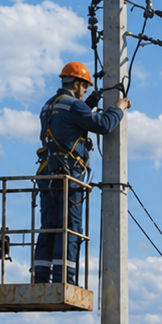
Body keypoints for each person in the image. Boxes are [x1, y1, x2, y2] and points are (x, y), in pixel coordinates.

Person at [34, 62, 128, 285]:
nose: (85, 90)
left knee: (50, 225)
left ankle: (40, 278)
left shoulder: (49, 105)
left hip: (47, 173)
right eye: (84, 87)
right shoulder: (74, 106)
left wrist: (88, 104)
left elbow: (67, 124)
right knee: (70, 227)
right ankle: (64, 279)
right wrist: (119, 108)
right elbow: (104, 124)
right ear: (76, 84)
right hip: (68, 174)